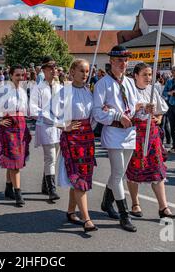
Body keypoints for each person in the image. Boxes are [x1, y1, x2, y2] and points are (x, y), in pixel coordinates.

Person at [93, 46, 150, 233]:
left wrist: (143, 111)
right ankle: (124, 214)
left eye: (125, 60)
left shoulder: (130, 83)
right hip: (114, 133)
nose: (123, 64)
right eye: (119, 60)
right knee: (118, 174)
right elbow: (97, 112)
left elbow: (133, 109)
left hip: (130, 133)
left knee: (119, 173)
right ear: (111, 61)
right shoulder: (103, 83)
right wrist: (117, 116)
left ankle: (106, 202)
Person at [126, 63, 175, 219]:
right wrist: (140, 107)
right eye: (145, 74)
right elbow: (125, 113)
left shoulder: (152, 90)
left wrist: (158, 118)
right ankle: (135, 204)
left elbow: (161, 110)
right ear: (135, 75)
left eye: (150, 74)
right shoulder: (130, 90)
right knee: (134, 169)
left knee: (157, 169)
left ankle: (163, 207)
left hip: (152, 134)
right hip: (135, 133)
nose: (148, 78)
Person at [57, 59, 98, 233]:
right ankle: (87, 219)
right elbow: (46, 113)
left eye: (87, 71)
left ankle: (70, 211)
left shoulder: (89, 92)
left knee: (82, 176)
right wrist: (63, 125)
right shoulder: (64, 91)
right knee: (78, 176)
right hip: (72, 137)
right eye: (81, 70)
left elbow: (93, 116)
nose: (85, 74)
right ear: (72, 71)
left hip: (87, 138)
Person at [0, 65, 31, 207]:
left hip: (21, 126)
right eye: (17, 75)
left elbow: (26, 110)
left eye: (22, 75)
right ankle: (18, 192)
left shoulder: (23, 91)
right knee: (15, 161)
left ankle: (8, 187)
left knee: (13, 159)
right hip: (9, 128)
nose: (20, 78)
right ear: (11, 75)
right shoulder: (3, 90)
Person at [30, 56, 62, 202]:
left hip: (59, 127)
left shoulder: (60, 87)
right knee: (50, 158)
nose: (54, 70)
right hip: (46, 126)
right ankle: (52, 189)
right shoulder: (38, 88)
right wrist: (48, 117)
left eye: (55, 68)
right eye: (50, 68)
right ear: (43, 70)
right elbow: (33, 109)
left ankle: (45, 184)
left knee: (55, 157)